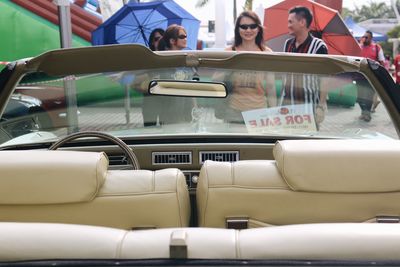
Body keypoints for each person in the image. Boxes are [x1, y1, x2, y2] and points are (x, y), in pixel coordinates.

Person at [220, 11, 276, 123]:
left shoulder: (267, 53)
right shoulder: (229, 52)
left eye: (253, 26)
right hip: (233, 111)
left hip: (259, 111)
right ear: (237, 29)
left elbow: (271, 87)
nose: (248, 30)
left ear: (258, 28)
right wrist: (230, 69)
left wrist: (273, 113)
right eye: (244, 27)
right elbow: (216, 79)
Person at [281, 6, 328, 129]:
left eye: (291, 21)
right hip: (287, 105)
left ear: (302, 22)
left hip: (309, 106)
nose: (288, 25)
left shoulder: (319, 46)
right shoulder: (288, 44)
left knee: (307, 143)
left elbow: (325, 78)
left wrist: (321, 106)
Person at [357, 30, 385, 121]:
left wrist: (381, 75)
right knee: (359, 96)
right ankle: (363, 112)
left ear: (371, 38)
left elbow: (382, 62)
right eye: (364, 37)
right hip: (359, 76)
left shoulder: (377, 48)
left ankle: (367, 114)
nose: (365, 39)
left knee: (369, 96)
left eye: (367, 37)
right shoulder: (359, 47)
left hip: (371, 77)